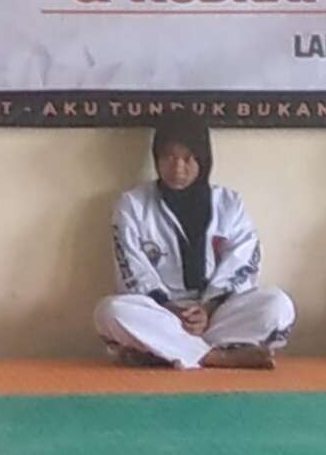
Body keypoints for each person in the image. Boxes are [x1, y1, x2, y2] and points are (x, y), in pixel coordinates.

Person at [95, 113, 297, 369]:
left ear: (203, 160)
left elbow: (243, 261)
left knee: (277, 305)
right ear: (156, 158)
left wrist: (208, 310)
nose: (178, 168)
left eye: (188, 159)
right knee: (110, 311)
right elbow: (131, 268)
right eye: (169, 158)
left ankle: (167, 351)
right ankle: (215, 357)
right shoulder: (133, 204)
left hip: (218, 314)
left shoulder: (229, 204)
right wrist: (172, 311)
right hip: (162, 313)